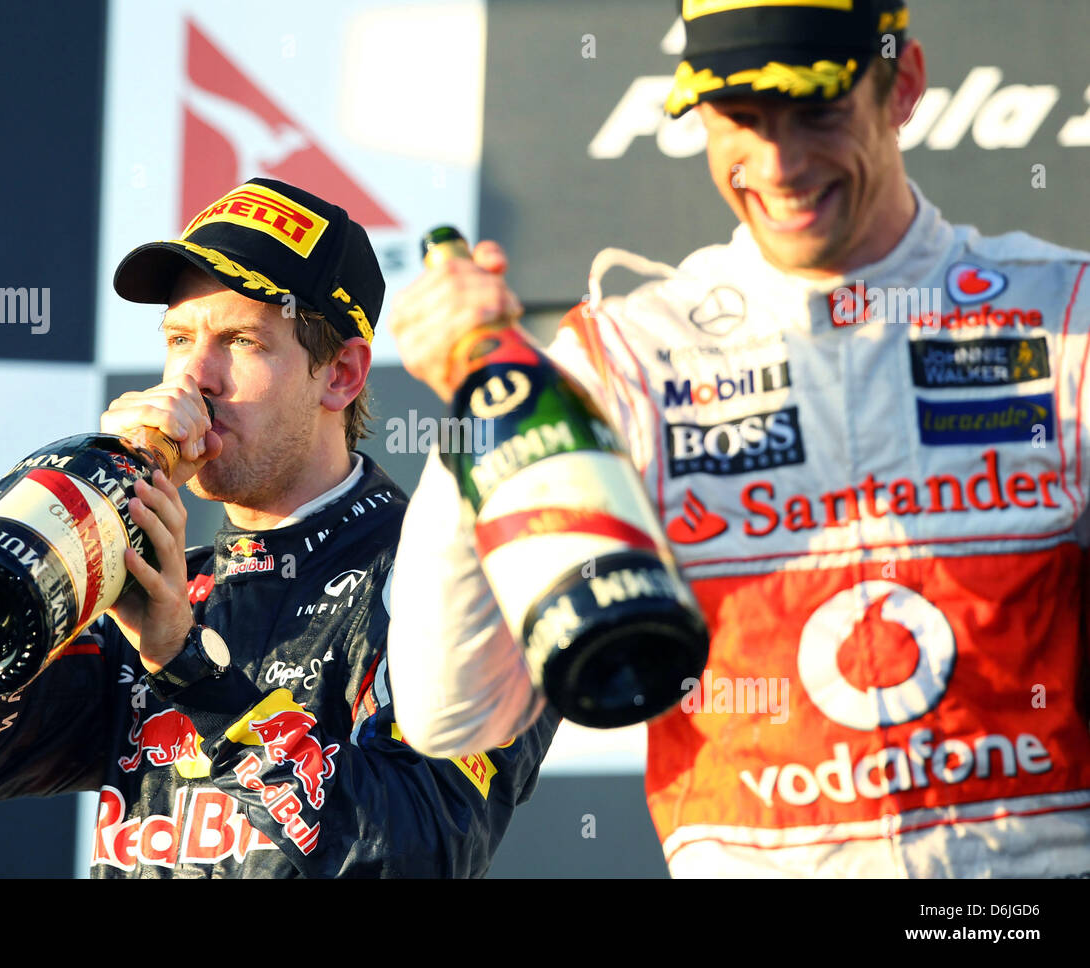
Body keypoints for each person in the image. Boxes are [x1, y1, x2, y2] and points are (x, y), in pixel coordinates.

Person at [384, 0, 1090, 877]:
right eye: (739, 120)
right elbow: (452, 713)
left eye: (816, 110)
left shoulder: (1065, 320)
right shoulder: (628, 360)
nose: (781, 164)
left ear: (901, 85)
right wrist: (482, 396)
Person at [0, 176, 557, 878]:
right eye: (178, 337)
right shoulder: (147, 585)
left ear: (342, 375)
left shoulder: (461, 578)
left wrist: (185, 667)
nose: (195, 374)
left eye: (239, 340)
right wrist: (70, 516)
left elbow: (414, 850)